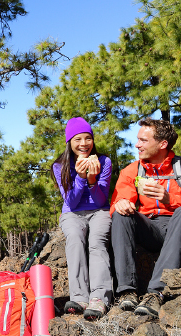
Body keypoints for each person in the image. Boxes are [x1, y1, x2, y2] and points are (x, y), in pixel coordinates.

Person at [110, 118, 181, 317]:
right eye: (137, 139)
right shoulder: (133, 170)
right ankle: (127, 291)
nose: (137, 144)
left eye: (143, 140)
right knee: (120, 214)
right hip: (153, 229)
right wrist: (122, 203)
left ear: (162, 144)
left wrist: (172, 199)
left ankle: (157, 292)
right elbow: (121, 197)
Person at [53, 117, 113, 320]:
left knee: (97, 242)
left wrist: (92, 179)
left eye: (88, 138)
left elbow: (100, 200)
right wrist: (79, 177)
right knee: (75, 240)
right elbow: (71, 202)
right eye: (78, 139)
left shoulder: (104, 162)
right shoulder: (60, 165)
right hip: (72, 213)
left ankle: (100, 298)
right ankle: (79, 298)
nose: (84, 144)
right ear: (69, 142)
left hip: (100, 211)